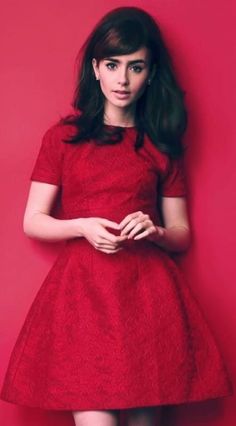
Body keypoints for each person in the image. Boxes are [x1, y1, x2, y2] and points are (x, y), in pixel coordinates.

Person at [0, 6, 233, 426]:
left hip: (148, 300)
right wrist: (83, 226)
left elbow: (182, 234)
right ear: (96, 68)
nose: (123, 80)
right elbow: (33, 220)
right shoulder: (63, 138)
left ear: (150, 72)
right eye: (112, 65)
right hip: (84, 299)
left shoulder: (161, 143)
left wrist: (156, 229)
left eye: (135, 67)